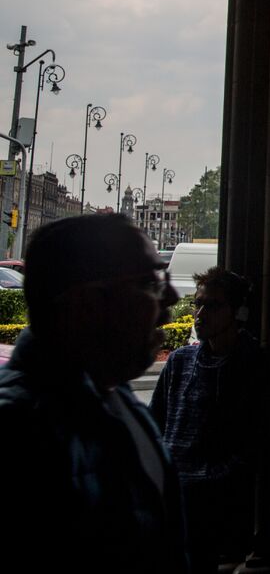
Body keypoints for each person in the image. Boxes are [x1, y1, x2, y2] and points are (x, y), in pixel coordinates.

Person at [0, 214, 188, 572]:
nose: (172, 298)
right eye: (149, 283)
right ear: (87, 303)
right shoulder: (19, 436)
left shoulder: (115, 398)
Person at [151, 268, 265, 574]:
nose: (199, 314)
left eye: (212, 306)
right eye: (198, 304)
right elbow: (155, 424)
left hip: (216, 506)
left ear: (238, 313)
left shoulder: (252, 365)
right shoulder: (180, 361)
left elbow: (254, 443)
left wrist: (206, 482)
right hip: (173, 496)